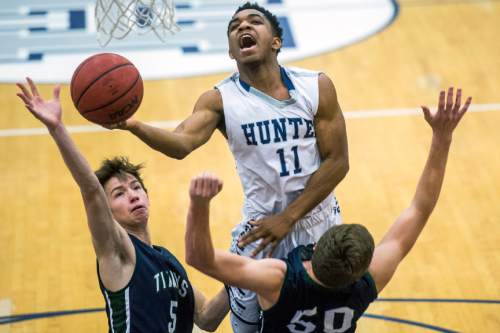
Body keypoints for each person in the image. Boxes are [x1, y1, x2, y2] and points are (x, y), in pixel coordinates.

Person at [109, 2, 349, 329]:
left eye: (254, 22)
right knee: (248, 328)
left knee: (323, 320)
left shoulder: (316, 86)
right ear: (230, 52)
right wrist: (134, 125)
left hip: (318, 224)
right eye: (235, 26)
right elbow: (182, 144)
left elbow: (338, 162)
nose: (242, 27)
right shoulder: (220, 99)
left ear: (276, 41)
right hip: (261, 232)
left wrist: (289, 217)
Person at [184, 88, 471, 332]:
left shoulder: (279, 279)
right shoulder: (368, 282)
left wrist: (200, 204)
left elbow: (200, 258)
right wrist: (442, 138)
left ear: (318, 243)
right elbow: (420, 209)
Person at [16, 78, 228, 333]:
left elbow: (206, 318)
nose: (133, 195)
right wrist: (57, 128)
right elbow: (92, 190)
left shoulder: (168, 261)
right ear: (107, 211)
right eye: (119, 193)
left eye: (137, 188)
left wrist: (244, 271)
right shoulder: (119, 253)